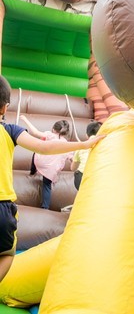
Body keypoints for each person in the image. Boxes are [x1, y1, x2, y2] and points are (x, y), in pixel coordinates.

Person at [0, 75, 104, 283]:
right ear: (4, 108)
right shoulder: (9, 130)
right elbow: (44, 147)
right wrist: (83, 145)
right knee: (6, 255)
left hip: (42, 175)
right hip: (2, 207)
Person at [71, 121, 102, 190]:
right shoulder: (105, 145)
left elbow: (73, 168)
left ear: (86, 135)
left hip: (81, 177)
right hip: (97, 177)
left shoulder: (81, 147)